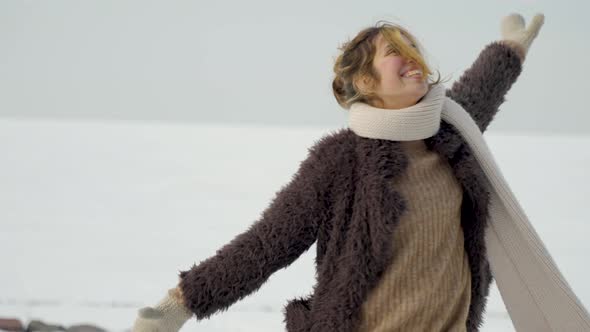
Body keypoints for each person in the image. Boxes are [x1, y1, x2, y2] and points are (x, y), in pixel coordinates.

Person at [132, 13, 544, 332]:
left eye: (414, 47)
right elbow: (267, 243)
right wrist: (178, 305)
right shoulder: (341, 162)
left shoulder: (452, 134)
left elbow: (482, 87)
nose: (414, 57)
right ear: (366, 80)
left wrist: (510, 47)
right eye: (395, 51)